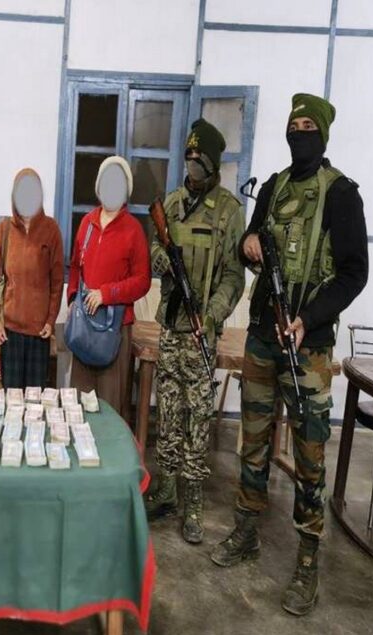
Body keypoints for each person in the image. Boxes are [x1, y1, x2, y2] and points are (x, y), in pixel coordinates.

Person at [210, 94, 368, 616]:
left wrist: (310, 318)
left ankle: (307, 557)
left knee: (309, 453)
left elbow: (354, 273)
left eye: (307, 126)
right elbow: (249, 240)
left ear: (322, 133)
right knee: (252, 440)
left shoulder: (341, 193)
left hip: (309, 347)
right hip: (262, 335)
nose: (299, 133)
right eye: (293, 125)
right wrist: (249, 244)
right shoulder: (275, 186)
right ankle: (247, 529)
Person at [144, 119, 245, 544]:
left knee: (198, 418)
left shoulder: (229, 211)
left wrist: (213, 314)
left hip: (202, 333)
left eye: (199, 161)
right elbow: (155, 246)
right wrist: (160, 258)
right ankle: (166, 490)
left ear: (213, 163)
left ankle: (194, 503)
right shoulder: (171, 203)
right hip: (171, 329)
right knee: (167, 409)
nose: (192, 167)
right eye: (188, 160)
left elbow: (234, 275)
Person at [67, 155, 150, 414]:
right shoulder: (87, 224)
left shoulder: (133, 230)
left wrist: (107, 294)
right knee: (79, 406)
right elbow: (75, 267)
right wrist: (72, 299)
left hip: (115, 330)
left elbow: (143, 281)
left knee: (109, 407)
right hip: (84, 326)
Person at [0, 168, 63, 388]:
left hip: (39, 333)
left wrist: (51, 320)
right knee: (11, 399)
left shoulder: (51, 229)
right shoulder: (4, 230)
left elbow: (57, 281)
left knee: (35, 401)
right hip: (9, 332)